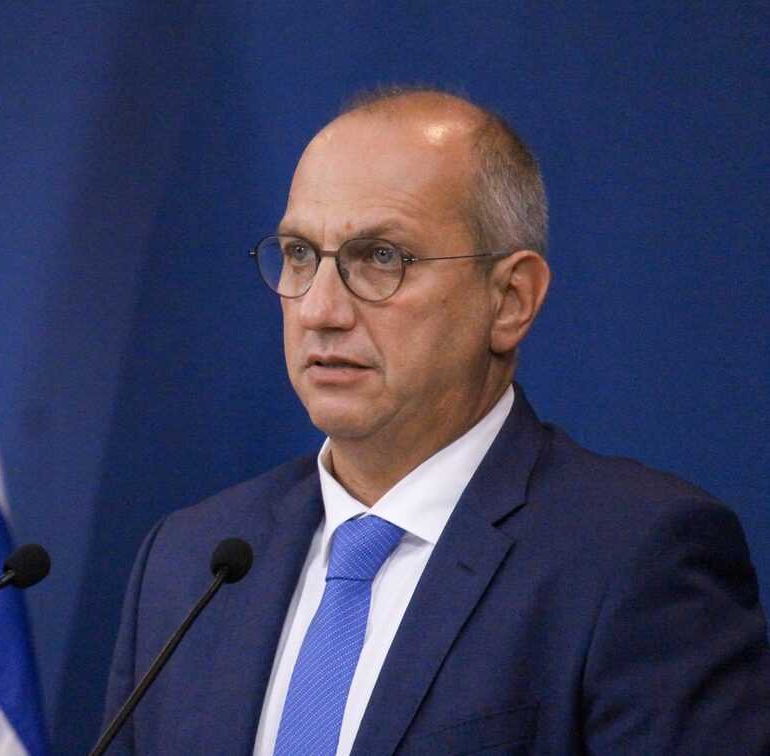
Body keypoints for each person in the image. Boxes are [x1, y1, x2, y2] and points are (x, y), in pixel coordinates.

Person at [103, 87, 770, 755]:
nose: (319, 310)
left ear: (511, 300)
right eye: (300, 254)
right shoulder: (189, 562)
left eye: (381, 257)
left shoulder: (632, 560)